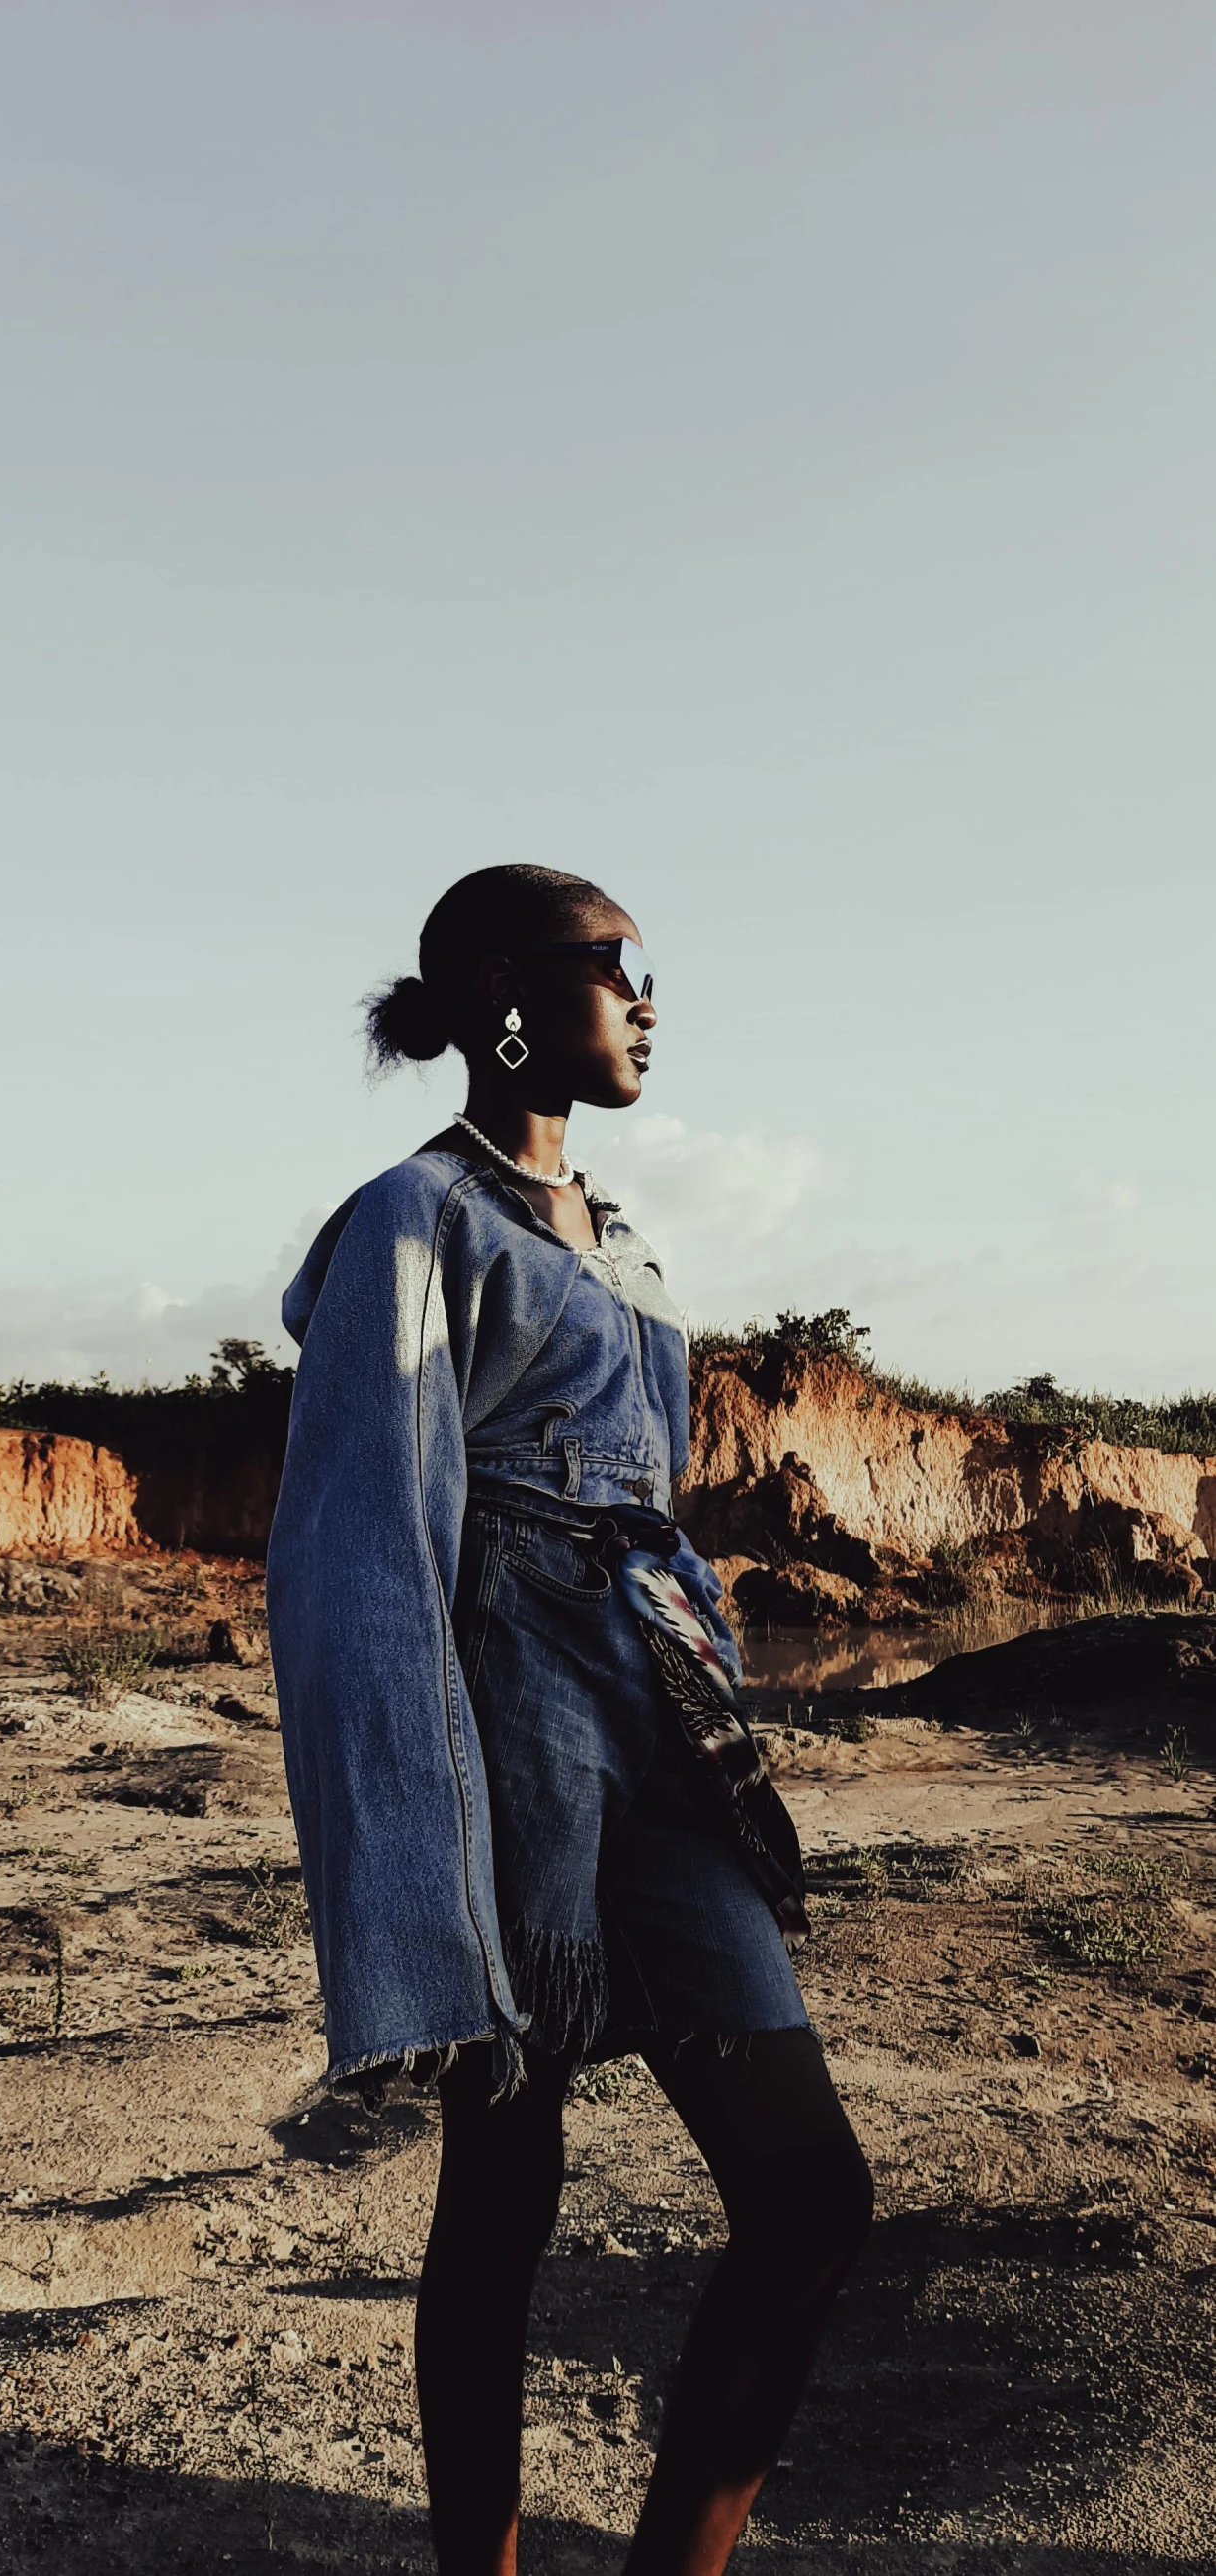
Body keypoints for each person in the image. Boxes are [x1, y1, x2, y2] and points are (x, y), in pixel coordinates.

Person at [266, 865, 873, 2576]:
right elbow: (366, 1534)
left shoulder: (640, 1251)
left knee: (812, 2192)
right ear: (505, 994)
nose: (649, 997)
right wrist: (417, 1835)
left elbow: (656, 1499)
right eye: (617, 966)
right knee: (505, 2180)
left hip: (663, 1707)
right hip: (512, 1706)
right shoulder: (414, 1216)